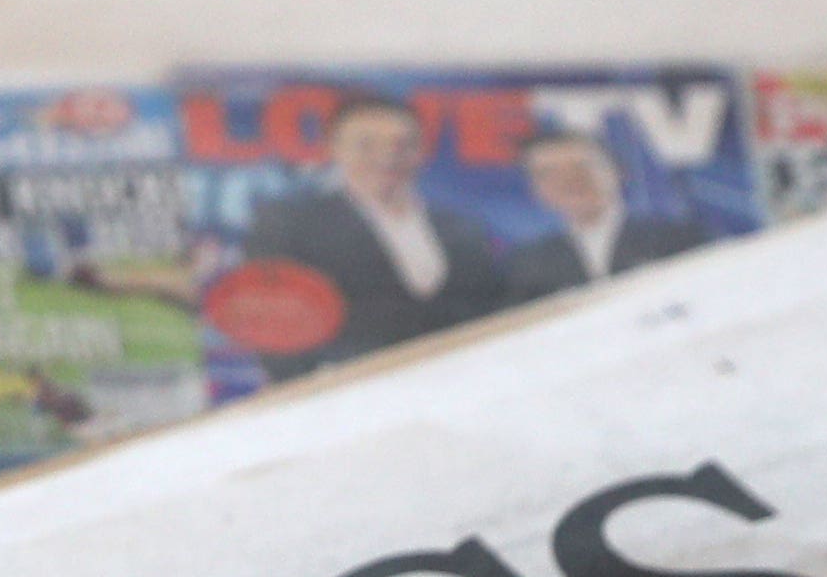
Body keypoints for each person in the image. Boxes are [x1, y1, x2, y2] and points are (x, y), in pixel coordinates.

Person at [240, 90, 501, 372]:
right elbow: (274, 328)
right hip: (347, 397)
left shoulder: (462, 227)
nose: (388, 157)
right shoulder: (292, 224)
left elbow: (488, 315)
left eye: (403, 144)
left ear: (422, 150)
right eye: (366, 145)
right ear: (334, 147)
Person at [496, 126, 716, 301]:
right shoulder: (527, 265)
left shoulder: (679, 239)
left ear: (617, 170)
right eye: (550, 173)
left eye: (581, 166)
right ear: (536, 189)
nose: (569, 180)